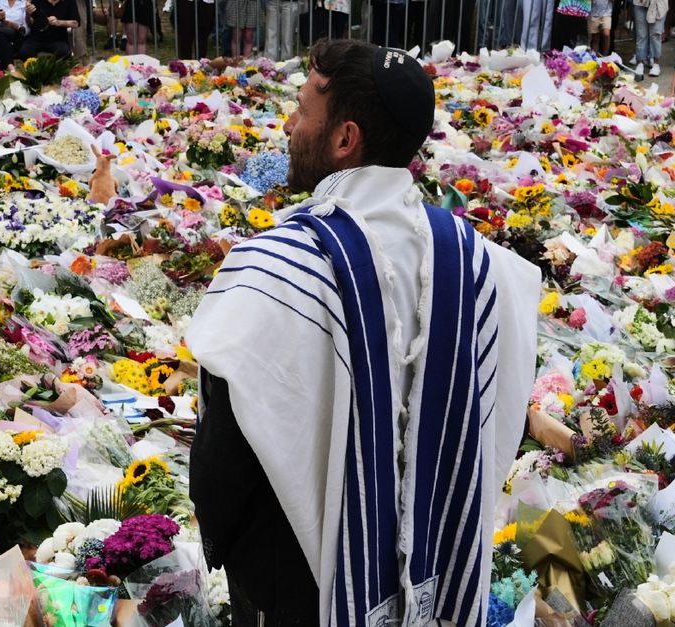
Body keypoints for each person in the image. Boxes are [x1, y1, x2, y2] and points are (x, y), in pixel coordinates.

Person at [187, 38, 539, 625]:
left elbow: (222, 461)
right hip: (432, 575)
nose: (290, 125)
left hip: (293, 583)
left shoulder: (277, 269)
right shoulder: (484, 265)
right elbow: (497, 415)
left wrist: (227, 550)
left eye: (303, 110)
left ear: (345, 138)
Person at [632, 0, 667, 79]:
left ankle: (656, 63)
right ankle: (640, 62)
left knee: (655, 34)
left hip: (659, 3)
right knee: (641, 33)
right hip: (640, 2)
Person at [0, 0, 26, 69]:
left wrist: (16, 26)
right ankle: (11, 67)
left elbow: (26, 29)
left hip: (16, 36)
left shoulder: (23, 3)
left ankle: (8, 68)